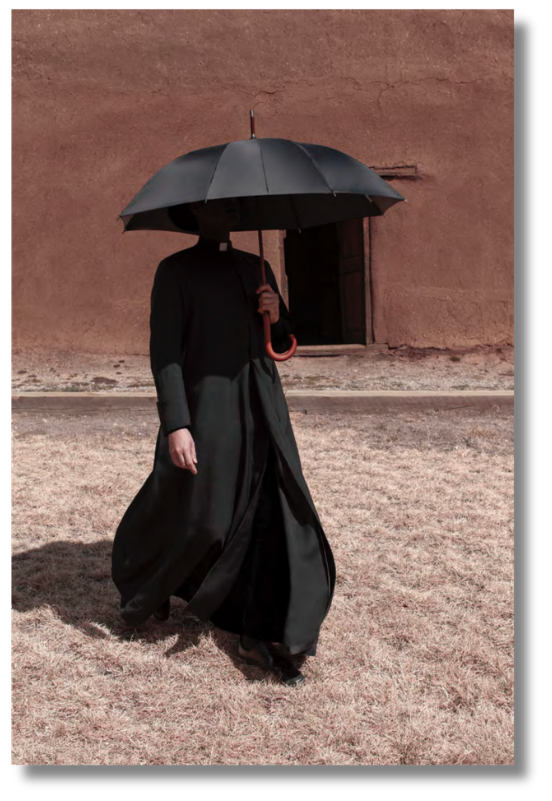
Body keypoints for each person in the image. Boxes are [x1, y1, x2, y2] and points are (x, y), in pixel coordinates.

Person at [112, 197, 336, 687]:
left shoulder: (258, 268)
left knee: (274, 510)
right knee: (203, 516)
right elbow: (165, 353)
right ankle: (150, 580)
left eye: (237, 207)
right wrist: (177, 423)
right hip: (208, 411)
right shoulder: (175, 272)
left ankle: (260, 632)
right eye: (221, 206)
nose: (232, 213)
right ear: (196, 213)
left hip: (263, 408)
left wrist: (276, 313)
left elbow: (282, 344)